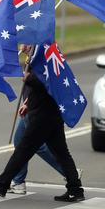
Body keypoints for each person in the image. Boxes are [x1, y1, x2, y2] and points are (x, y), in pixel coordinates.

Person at [0, 45, 84, 202]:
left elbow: (46, 80)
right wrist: (27, 101)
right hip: (51, 111)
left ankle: (2, 183)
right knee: (61, 153)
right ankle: (75, 189)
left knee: (24, 149)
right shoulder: (49, 50)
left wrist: (27, 77)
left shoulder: (43, 53)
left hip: (43, 115)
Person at [7, 45, 70, 195]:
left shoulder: (43, 51)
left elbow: (43, 82)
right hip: (33, 105)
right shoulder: (34, 51)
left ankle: (68, 172)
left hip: (38, 108)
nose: (24, 44)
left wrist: (27, 102)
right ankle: (18, 181)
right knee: (20, 141)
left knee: (33, 145)